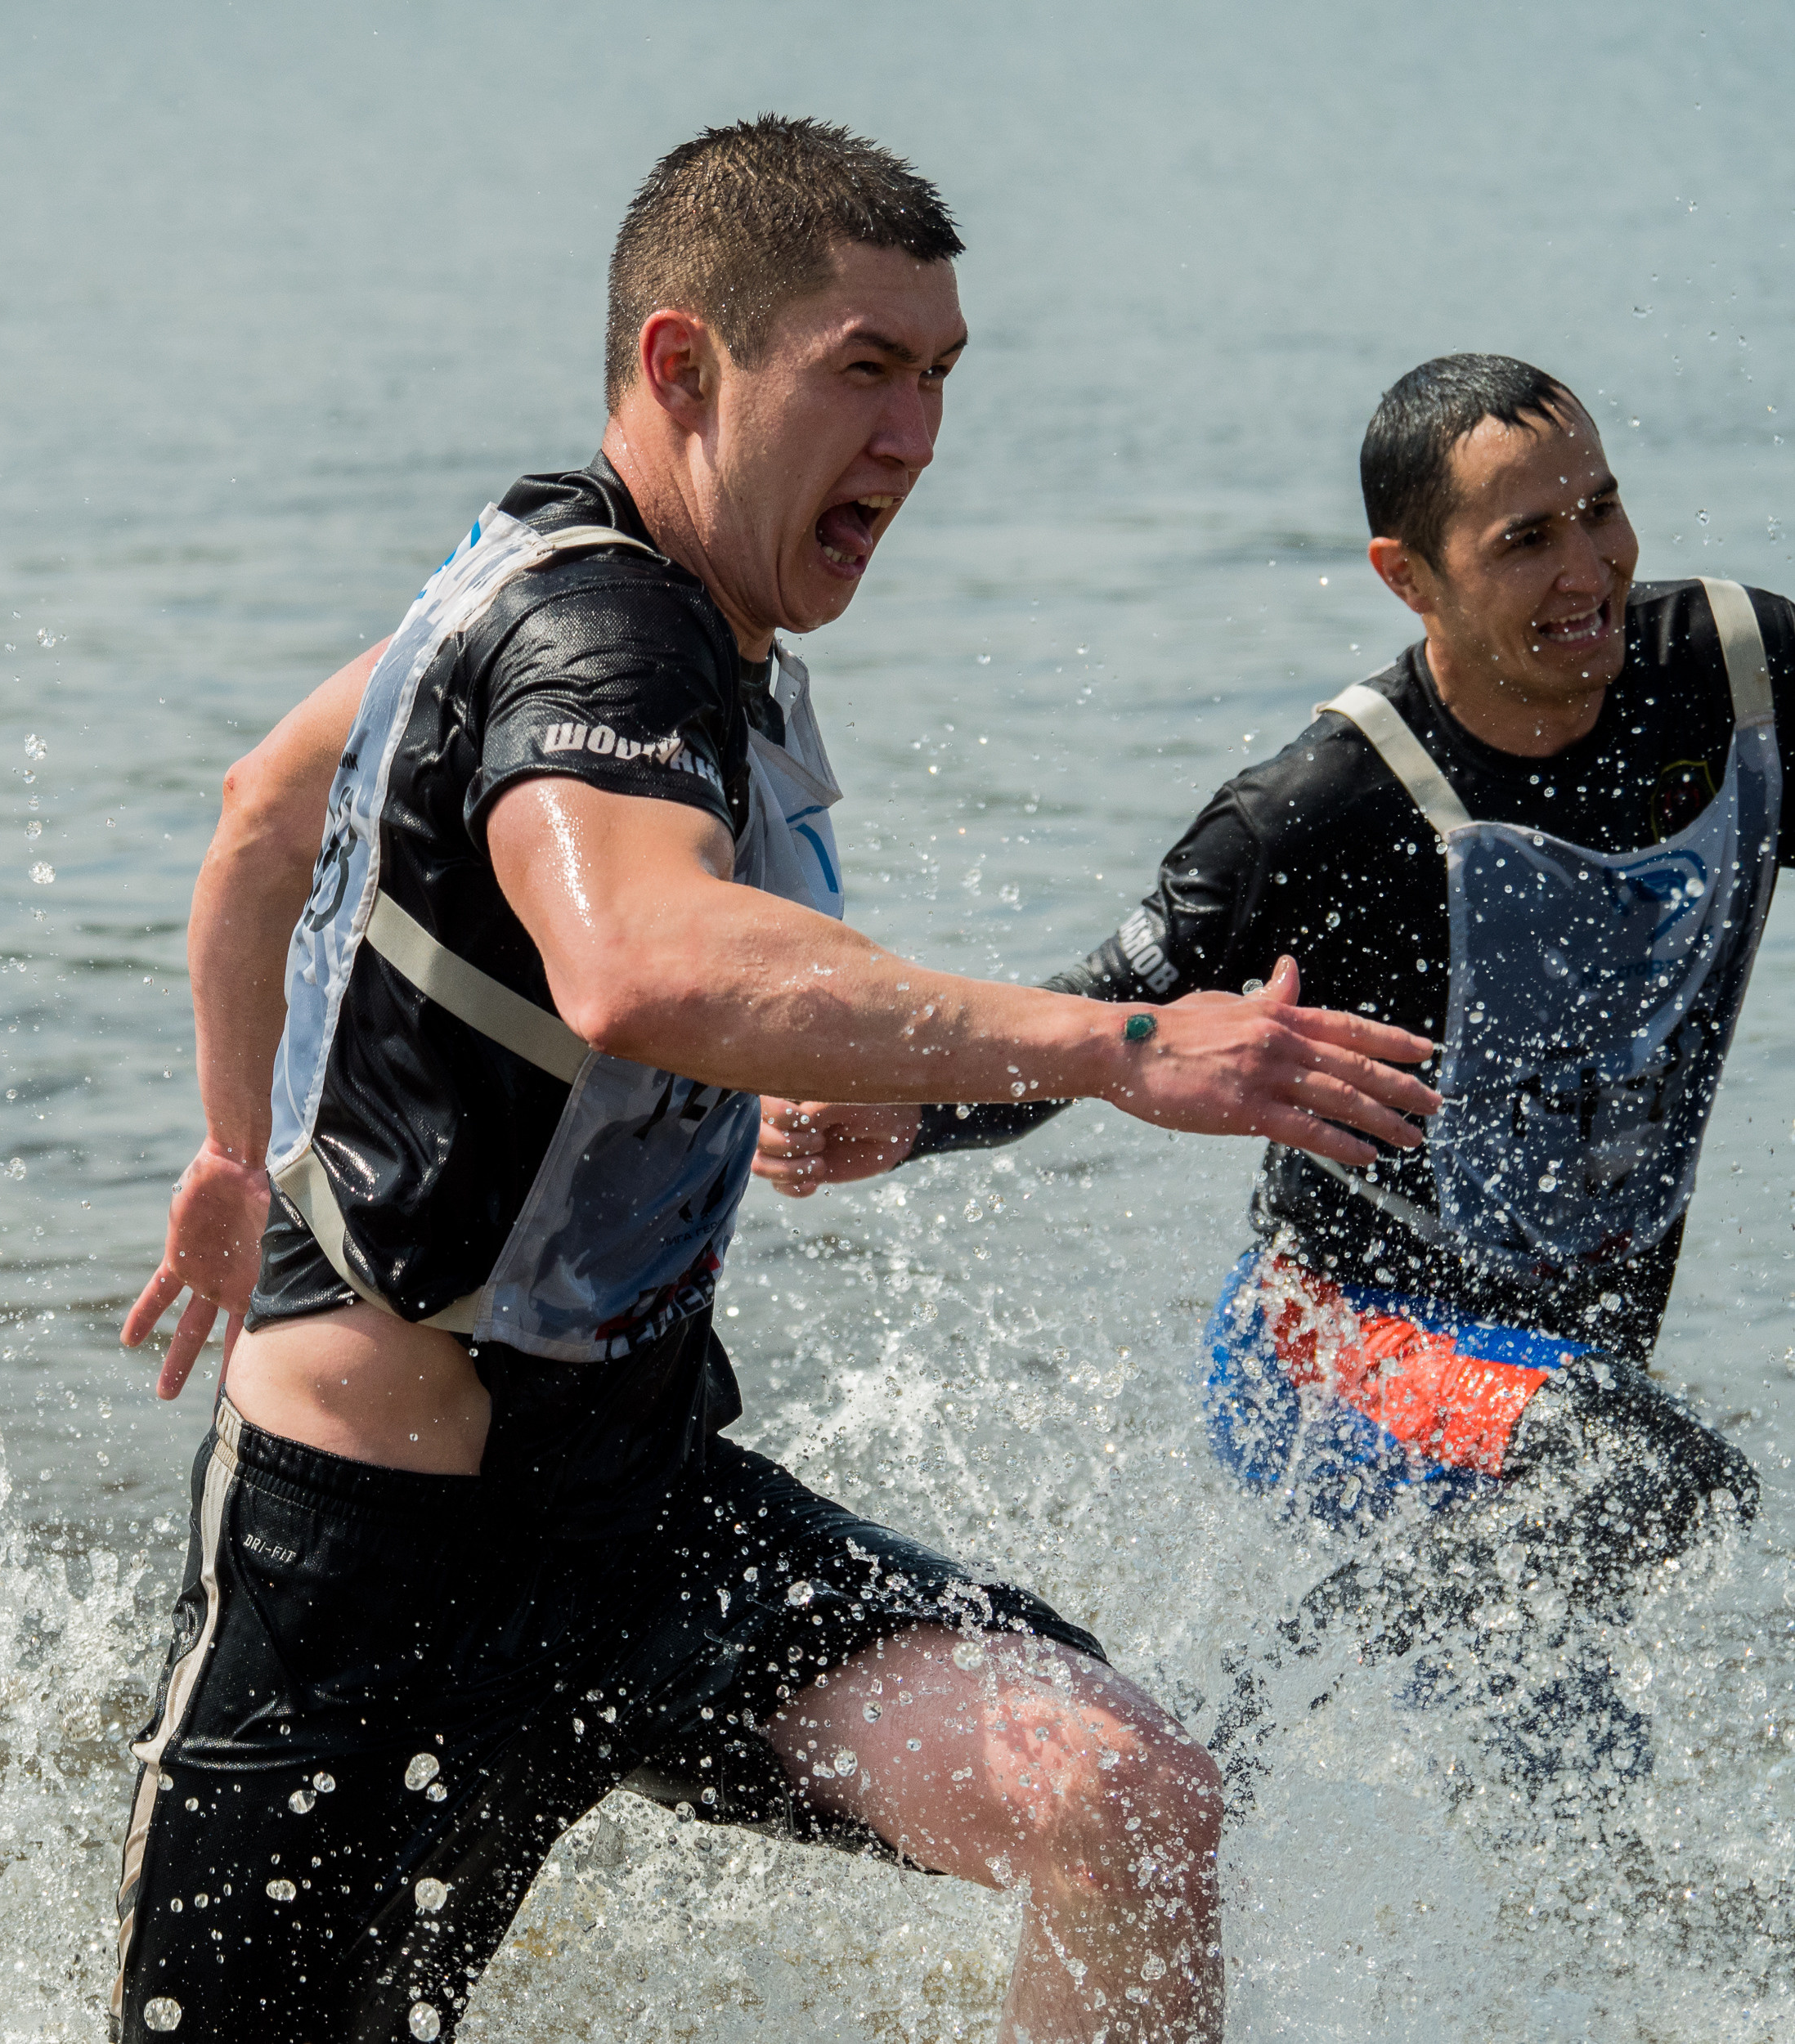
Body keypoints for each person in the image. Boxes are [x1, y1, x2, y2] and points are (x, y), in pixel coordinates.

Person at [113, 119, 1443, 2042]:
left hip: (630, 1507)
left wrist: (239, 1147)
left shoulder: (560, 587)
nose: (913, 438)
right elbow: (639, 958)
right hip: (365, 1572)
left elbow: (262, 816)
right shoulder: (603, 627)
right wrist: (1119, 1043)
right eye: (862, 370)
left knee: (1121, 1800)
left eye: (938, 378)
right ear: (682, 366)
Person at [758, 355, 1778, 1792]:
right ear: (1407, 577)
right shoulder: (1322, 810)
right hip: (1332, 1347)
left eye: (1603, 511)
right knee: (1645, 1478)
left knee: (1580, 1810)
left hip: (1556, 1381)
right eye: (1526, 541)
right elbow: (1099, 1017)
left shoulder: (1739, 678)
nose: (1590, 569)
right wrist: (907, 1115)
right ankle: (1223, 1748)